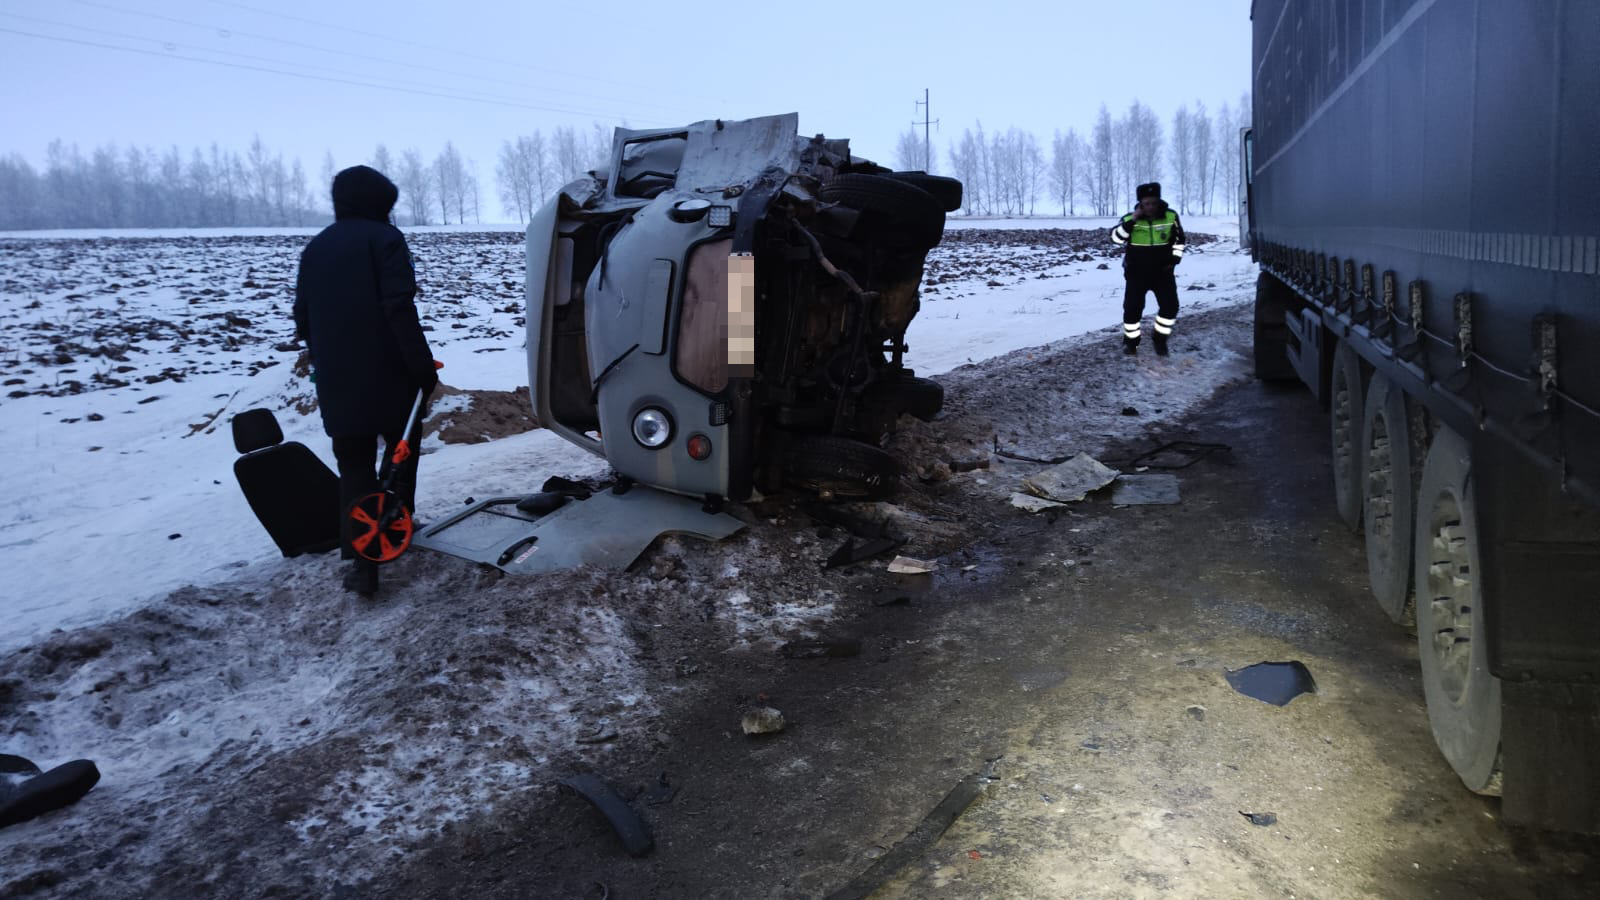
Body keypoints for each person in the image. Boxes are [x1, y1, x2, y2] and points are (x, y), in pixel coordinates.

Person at [293, 165, 436, 596]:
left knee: (353, 463)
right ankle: (394, 530)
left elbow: (302, 317)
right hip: (389, 369)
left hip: (337, 375)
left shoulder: (315, 248)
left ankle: (360, 559)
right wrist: (422, 367)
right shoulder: (386, 240)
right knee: (400, 453)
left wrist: (326, 357)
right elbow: (399, 307)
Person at [1109, 182, 1186, 356]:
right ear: (1141, 204)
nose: (1150, 207)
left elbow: (1179, 240)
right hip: (1137, 275)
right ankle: (1131, 344)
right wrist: (1133, 221)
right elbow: (1115, 238)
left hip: (1163, 274)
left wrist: (1175, 260)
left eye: (1153, 203)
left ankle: (1159, 339)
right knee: (1132, 312)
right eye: (1146, 204)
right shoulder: (1129, 219)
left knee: (1170, 308)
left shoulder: (1170, 216)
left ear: (1159, 201)